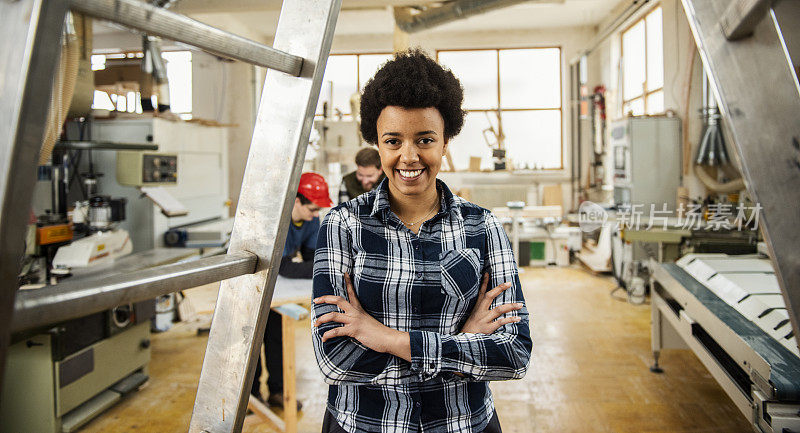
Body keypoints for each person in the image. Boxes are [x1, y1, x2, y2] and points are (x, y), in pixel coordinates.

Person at [311, 49, 532, 433]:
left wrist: (381, 336)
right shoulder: (342, 225)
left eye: (425, 139)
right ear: (377, 144)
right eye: (393, 141)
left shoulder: (482, 227)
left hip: (462, 423)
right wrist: (462, 343)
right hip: (363, 423)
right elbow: (336, 359)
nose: (408, 156)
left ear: (446, 141)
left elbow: (513, 353)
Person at [251, 172, 333, 409]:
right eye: (312, 209)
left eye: (318, 210)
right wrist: (317, 266)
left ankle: (278, 392)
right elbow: (284, 266)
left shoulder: (310, 220)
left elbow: (311, 258)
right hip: (251, 283)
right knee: (254, 342)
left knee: (277, 337)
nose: (315, 215)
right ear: (297, 201)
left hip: (276, 287)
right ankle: (252, 396)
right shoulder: (277, 219)